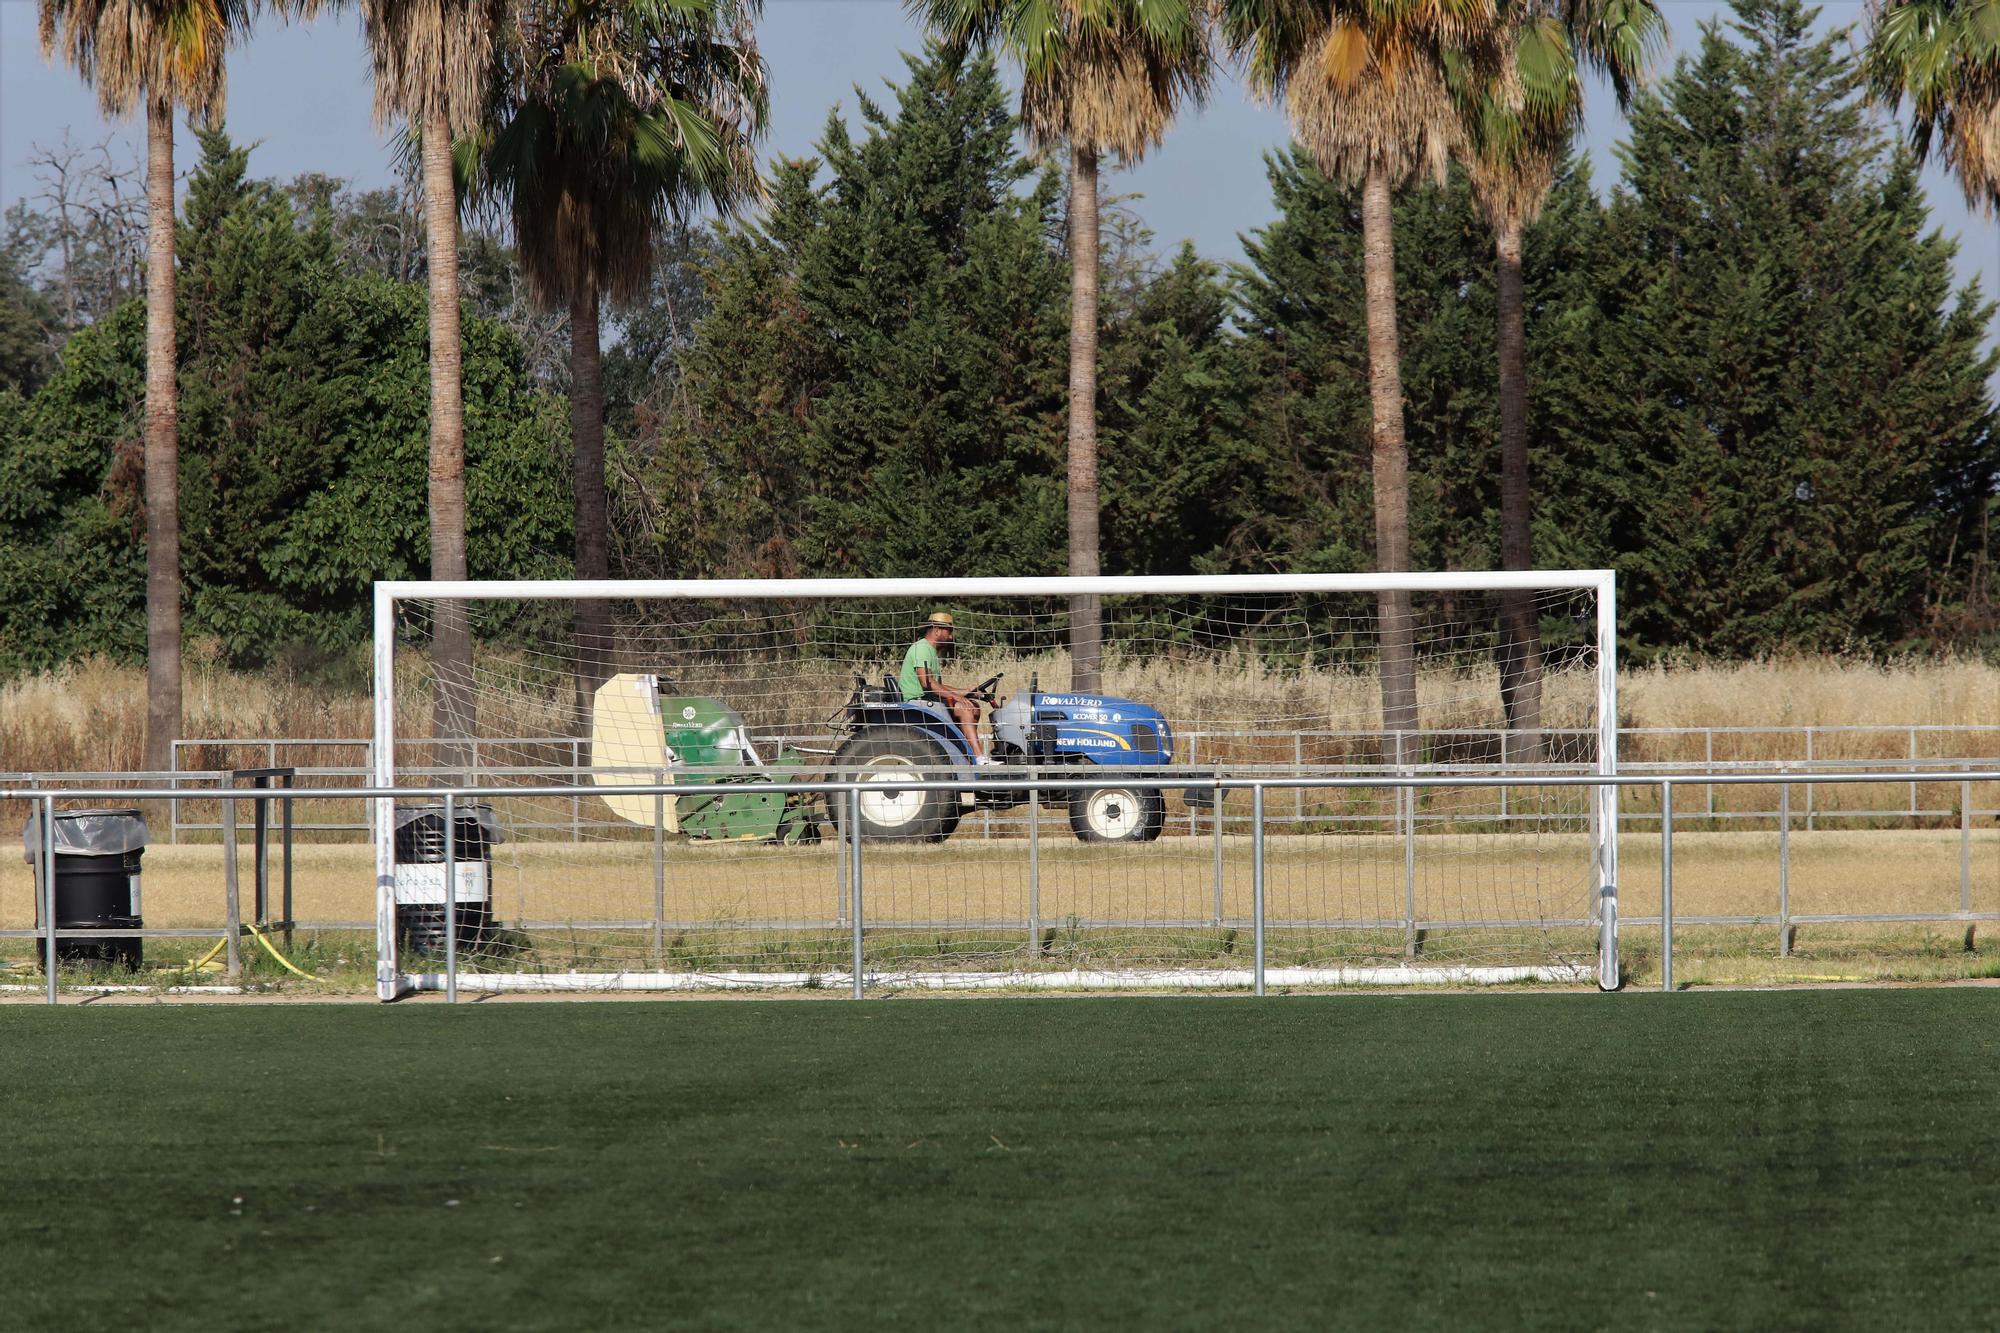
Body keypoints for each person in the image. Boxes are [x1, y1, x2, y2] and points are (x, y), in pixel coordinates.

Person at [898, 611, 994, 764]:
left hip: (929, 699)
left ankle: (966, 756)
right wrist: (958, 697)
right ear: (936, 630)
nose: (950, 636)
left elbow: (938, 685)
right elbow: (927, 683)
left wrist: (968, 691)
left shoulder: (930, 651)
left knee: (974, 706)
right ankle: (978, 758)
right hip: (918, 702)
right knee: (966, 709)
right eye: (948, 631)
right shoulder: (921, 649)